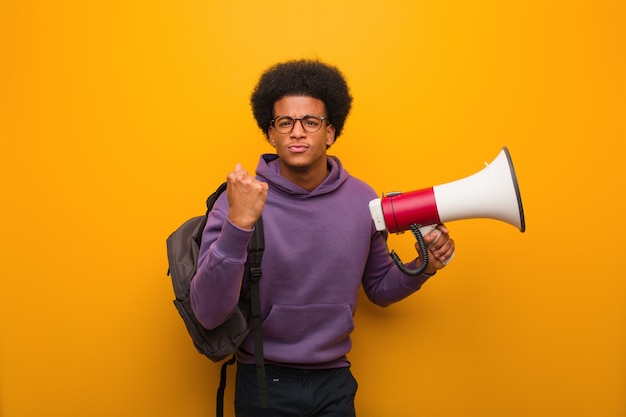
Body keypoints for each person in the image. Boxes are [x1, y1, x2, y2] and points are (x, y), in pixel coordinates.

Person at [190, 59, 455, 417]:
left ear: (329, 133)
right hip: (263, 379)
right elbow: (208, 312)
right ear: (271, 134)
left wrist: (425, 267)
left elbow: (378, 287)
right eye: (285, 122)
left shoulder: (362, 199)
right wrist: (239, 223)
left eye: (310, 122)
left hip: (335, 379)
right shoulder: (238, 199)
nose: (297, 132)